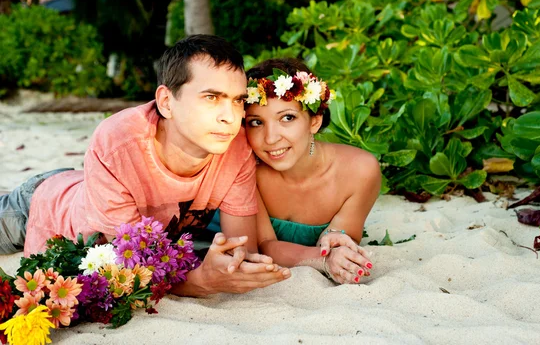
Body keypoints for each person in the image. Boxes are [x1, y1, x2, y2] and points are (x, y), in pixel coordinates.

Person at [0, 35, 290, 296]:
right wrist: (201, 280)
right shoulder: (118, 140)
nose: (230, 117)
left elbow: (242, 250)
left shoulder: (236, 145)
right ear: (166, 101)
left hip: (88, 187)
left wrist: (235, 265)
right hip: (40, 207)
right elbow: (131, 265)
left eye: (238, 100)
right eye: (212, 98)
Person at [210, 58, 381, 284]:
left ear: (315, 122)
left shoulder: (360, 171)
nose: (271, 138)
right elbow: (265, 246)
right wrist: (323, 260)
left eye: (287, 118)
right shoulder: (248, 170)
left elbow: (336, 240)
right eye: (255, 123)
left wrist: (335, 247)